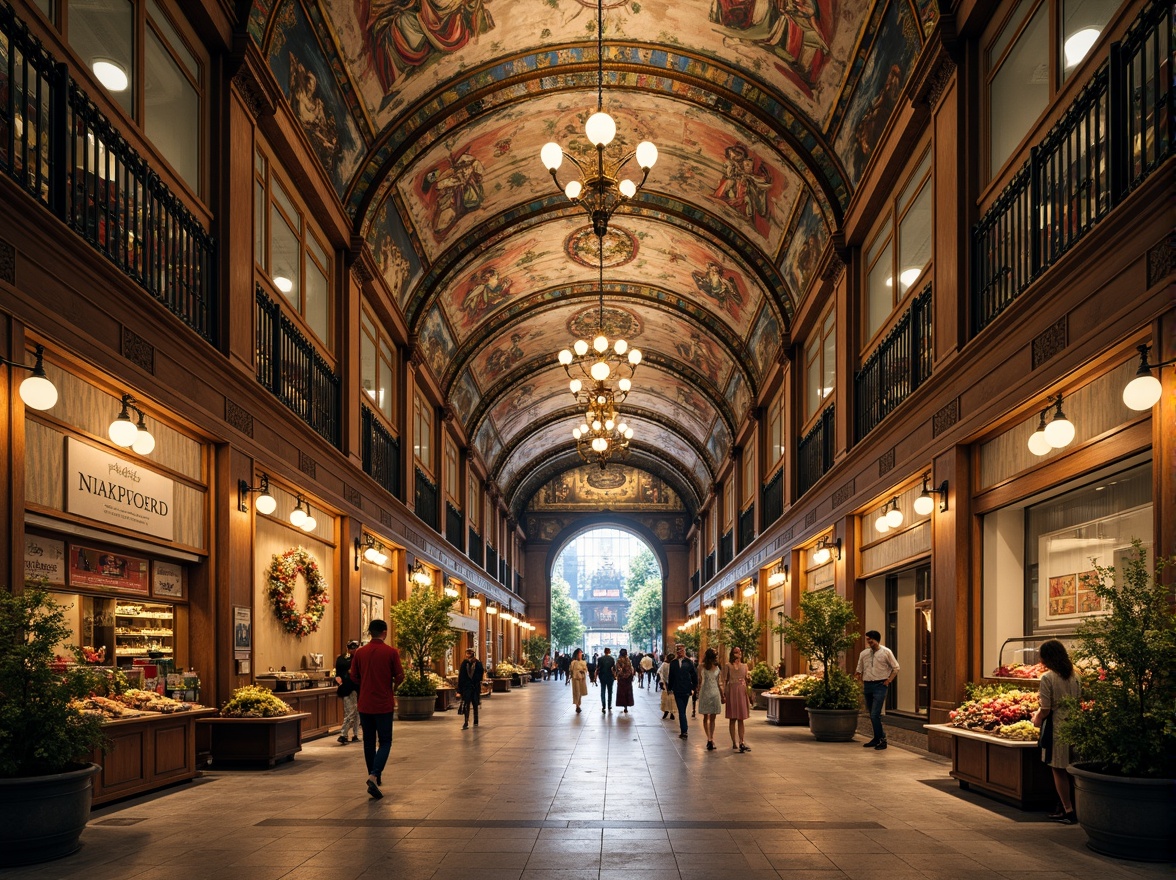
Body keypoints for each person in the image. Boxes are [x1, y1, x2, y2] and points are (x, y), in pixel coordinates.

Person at [349, 619, 405, 799]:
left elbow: (354, 676)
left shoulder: (359, 653)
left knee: (368, 742)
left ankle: (373, 775)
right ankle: (374, 775)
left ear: (370, 632)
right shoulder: (391, 652)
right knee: (386, 740)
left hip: (365, 703)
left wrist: (365, 686)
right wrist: (392, 688)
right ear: (385, 632)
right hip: (383, 703)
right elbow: (400, 675)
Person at [1031, 639, 1081, 823]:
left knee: (1058, 769)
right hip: (1075, 725)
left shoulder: (1048, 678)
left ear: (1047, 657)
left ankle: (1068, 810)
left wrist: (1037, 718)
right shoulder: (1075, 676)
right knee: (1072, 769)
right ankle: (1068, 806)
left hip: (1057, 727)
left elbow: (1046, 708)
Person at [855, 629, 899, 750]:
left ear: (877, 640)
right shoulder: (864, 653)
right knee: (871, 713)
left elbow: (896, 668)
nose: (869, 642)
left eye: (871, 640)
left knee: (875, 714)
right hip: (868, 685)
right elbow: (859, 668)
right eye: (867, 640)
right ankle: (876, 738)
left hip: (880, 685)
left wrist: (888, 680)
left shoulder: (886, 652)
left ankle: (882, 740)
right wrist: (858, 677)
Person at [721, 646, 752, 752]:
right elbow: (724, 680)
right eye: (735, 652)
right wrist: (723, 693)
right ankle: (734, 742)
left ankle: (742, 741)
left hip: (741, 691)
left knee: (741, 718)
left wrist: (748, 680)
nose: (737, 654)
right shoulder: (728, 665)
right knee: (732, 718)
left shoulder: (745, 666)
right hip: (732, 691)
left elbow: (747, 679)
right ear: (732, 654)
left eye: (739, 652)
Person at [667, 643, 698, 738]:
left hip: (686, 690)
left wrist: (694, 688)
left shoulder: (689, 662)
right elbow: (671, 676)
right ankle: (684, 731)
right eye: (678, 650)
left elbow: (694, 676)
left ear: (684, 650)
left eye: (681, 650)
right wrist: (669, 688)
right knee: (681, 711)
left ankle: (684, 729)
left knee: (683, 710)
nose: (679, 652)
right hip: (677, 689)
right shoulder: (673, 663)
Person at [334, 640, 360, 744]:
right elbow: (338, 675)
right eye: (353, 648)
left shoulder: (342, 658)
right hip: (348, 688)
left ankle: (355, 734)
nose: (354, 650)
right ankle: (343, 734)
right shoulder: (344, 659)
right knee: (351, 712)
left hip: (356, 688)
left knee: (356, 712)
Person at [697, 647, 722, 750]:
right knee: (712, 718)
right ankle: (711, 738)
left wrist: (697, 692)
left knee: (705, 717)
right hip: (715, 693)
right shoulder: (717, 668)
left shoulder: (701, 667)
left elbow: (699, 681)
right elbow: (719, 683)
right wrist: (723, 694)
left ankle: (709, 739)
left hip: (705, 692)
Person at [457, 648, 484, 730]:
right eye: (467, 653)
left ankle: (476, 720)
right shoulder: (464, 663)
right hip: (467, 687)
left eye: (470, 653)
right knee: (466, 704)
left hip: (475, 687)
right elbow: (461, 677)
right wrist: (459, 690)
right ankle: (466, 722)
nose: (468, 654)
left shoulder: (478, 663)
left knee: (475, 704)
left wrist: (475, 681)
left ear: (473, 653)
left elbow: (480, 675)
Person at [615, 649, 635, 714]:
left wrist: (622, 675)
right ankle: (626, 705)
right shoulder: (628, 660)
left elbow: (618, 670)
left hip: (621, 679)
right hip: (628, 679)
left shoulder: (618, 660)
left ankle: (623, 704)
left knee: (622, 692)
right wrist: (627, 675)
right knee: (627, 692)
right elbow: (631, 669)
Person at [597, 647, 617, 712]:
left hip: (602, 676)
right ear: (608, 652)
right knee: (610, 691)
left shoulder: (600, 659)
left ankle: (603, 705)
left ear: (604, 651)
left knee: (603, 691)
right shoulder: (612, 659)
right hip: (610, 677)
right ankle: (609, 705)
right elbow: (614, 669)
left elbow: (598, 668)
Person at [569, 648, 588, 714]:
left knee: (580, 692)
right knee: (576, 692)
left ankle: (578, 704)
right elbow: (571, 670)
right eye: (579, 654)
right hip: (575, 679)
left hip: (582, 679)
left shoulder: (583, 662)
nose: (580, 655)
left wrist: (583, 671)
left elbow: (585, 669)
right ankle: (577, 706)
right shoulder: (573, 662)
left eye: (581, 654)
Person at [658, 653, 675, 719]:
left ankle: (667, 711)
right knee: (671, 698)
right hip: (671, 684)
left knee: (666, 698)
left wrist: (661, 681)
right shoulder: (673, 665)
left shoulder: (664, 664)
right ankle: (671, 712)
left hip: (666, 684)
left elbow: (659, 672)